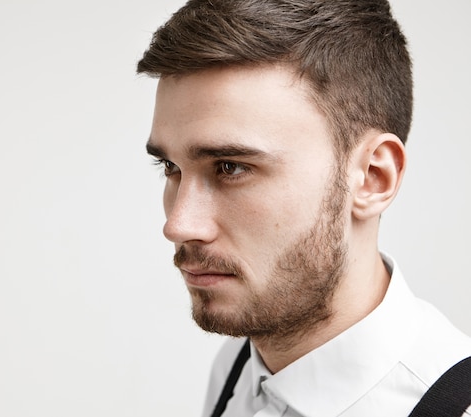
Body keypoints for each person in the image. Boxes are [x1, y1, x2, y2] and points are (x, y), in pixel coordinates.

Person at [136, 1, 471, 416]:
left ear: (372, 178)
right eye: (170, 167)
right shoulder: (237, 368)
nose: (178, 224)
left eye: (230, 167)